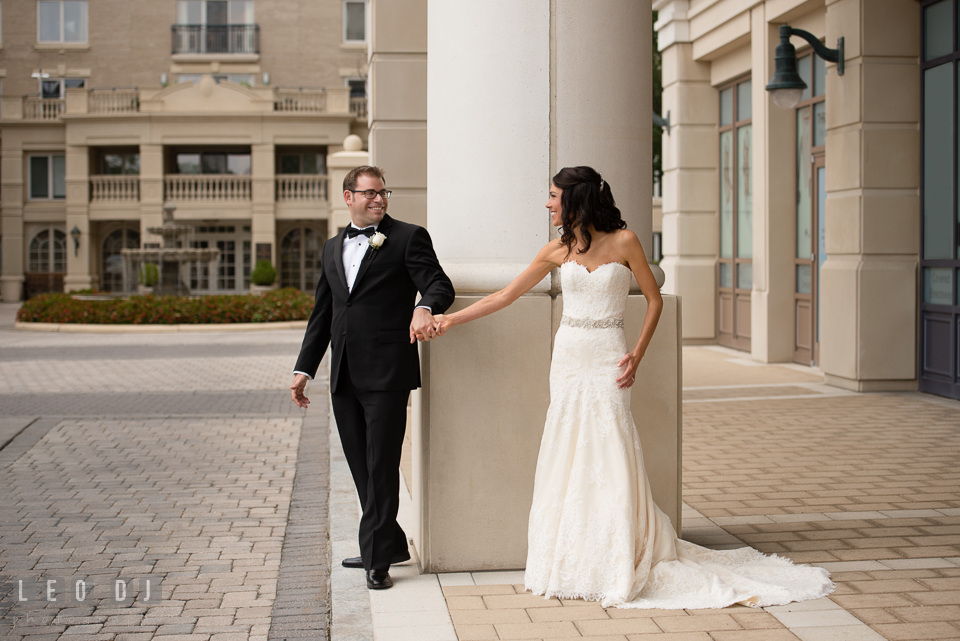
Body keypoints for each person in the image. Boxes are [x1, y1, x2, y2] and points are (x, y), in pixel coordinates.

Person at [434, 166, 833, 609]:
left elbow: (654, 299)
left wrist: (637, 355)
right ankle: (570, 556)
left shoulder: (625, 241)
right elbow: (503, 296)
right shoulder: (556, 249)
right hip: (568, 356)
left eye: (552, 196)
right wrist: (449, 319)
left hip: (609, 352)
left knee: (611, 444)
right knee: (567, 445)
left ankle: (619, 552)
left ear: (575, 198)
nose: (547, 204)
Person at [291, 165, 455, 590]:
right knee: (361, 465)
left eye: (383, 192)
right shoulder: (332, 248)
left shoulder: (407, 236)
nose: (379, 199)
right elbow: (323, 315)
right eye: (370, 193)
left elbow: (439, 284)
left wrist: (424, 307)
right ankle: (388, 542)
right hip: (343, 373)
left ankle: (377, 558)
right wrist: (303, 368)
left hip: (387, 370)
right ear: (349, 197)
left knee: (382, 465)